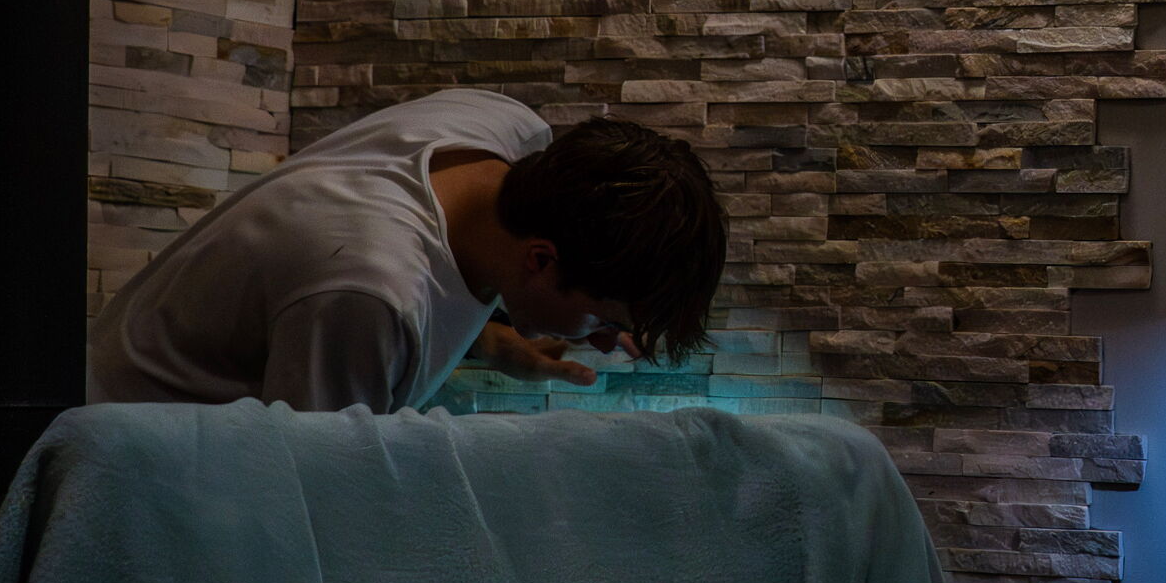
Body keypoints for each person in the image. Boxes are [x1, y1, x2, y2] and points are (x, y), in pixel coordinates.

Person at [87, 87, 729, 413]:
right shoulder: (369, 294)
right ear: (541, 261)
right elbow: (311, 509)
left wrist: (489, 340)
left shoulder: (500, 128)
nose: (606, 343)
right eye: (606, 321)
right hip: (133, 468)